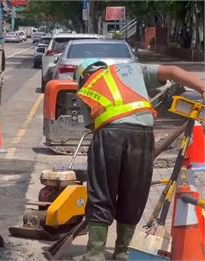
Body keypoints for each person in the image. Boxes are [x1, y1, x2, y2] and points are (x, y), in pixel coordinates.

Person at [72, 59, 205, 261]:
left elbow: (94, 127)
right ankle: (122, 252)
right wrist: (202, 87)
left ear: (83, 77)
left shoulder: (86, 88)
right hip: (143, 134)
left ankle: (95, 254)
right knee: (134, 192)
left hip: (110, 135)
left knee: (102, 192)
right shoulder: (132, 68)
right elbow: (172, 70)